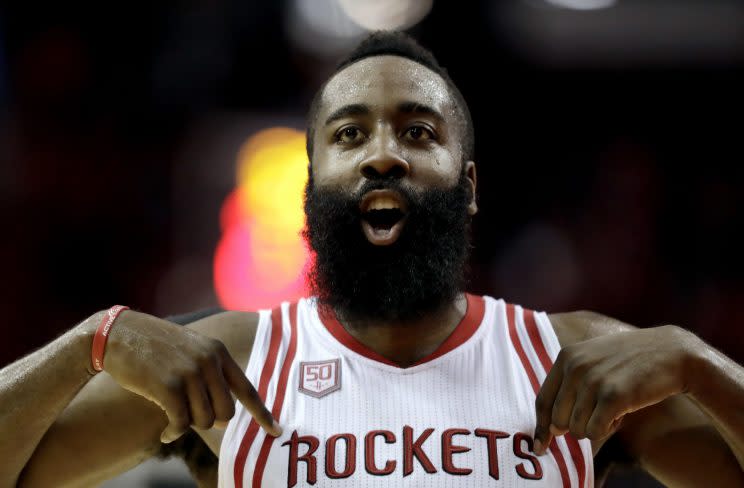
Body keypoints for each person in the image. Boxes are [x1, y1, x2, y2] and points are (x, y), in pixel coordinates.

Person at [1, 31, 743, 488]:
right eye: (350, 135)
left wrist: (696, 360)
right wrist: (90, 341)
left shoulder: (569, 355)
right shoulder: (234, 357)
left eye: (417, 133)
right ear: (311, 182)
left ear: (470, 184)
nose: (382, 155)